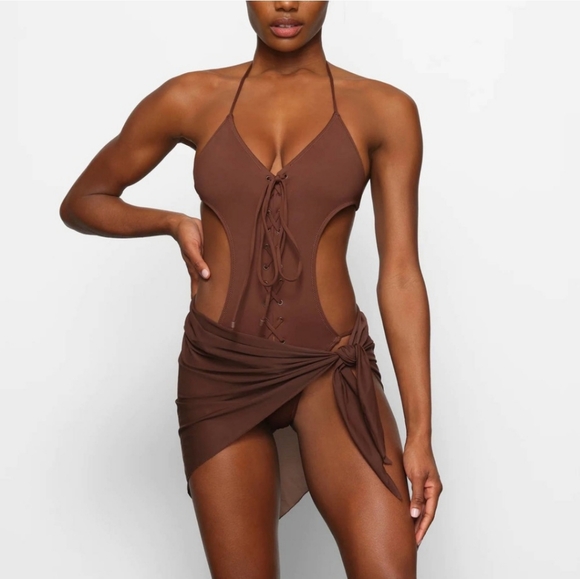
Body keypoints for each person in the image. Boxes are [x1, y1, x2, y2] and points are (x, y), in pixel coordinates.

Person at [60, 1, 443, 577]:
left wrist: (419, 433)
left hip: (331, 371)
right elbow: (83, 201)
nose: (285, 3)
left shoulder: (383, 110)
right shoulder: (192, 97)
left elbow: (401, 273)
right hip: (220, 375)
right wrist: (171, 222)